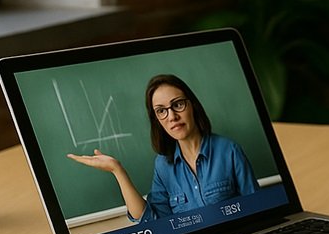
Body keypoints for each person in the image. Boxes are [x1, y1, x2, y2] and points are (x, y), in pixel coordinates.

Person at [68, 74, 258, 222]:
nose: (172, 116)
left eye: (178, 104)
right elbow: (152, 221)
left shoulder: (229, 150)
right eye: (161, 111)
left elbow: (259, 208)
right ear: (157, 120)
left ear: (193, 106)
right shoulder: (163, 166)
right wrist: (118, 171)